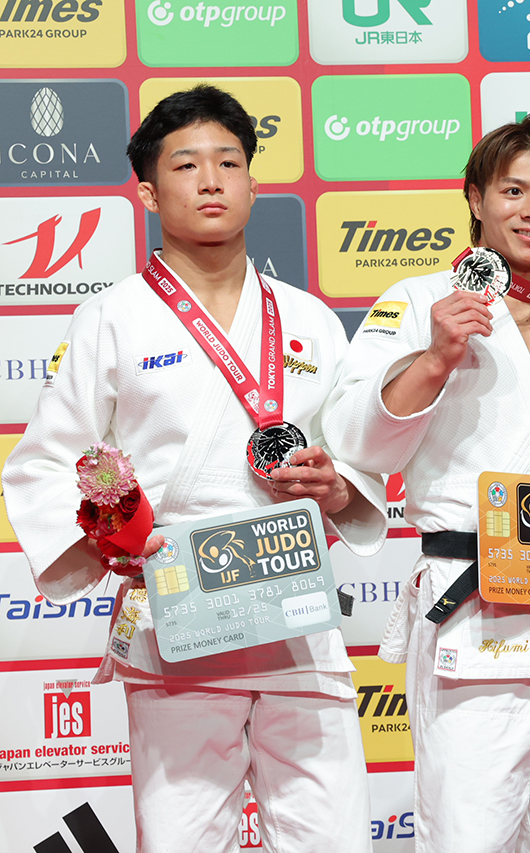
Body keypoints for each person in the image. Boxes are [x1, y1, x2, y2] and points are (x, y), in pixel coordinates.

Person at [2, 85, 387, 852]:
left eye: (228, 161)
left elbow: (360, 458)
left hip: (296, 621)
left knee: (334, 838)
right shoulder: (111, 316)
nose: (211, 179)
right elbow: (45, 461)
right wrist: (110, 543)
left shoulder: (309, 317)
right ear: (147, 190)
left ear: (253, 182)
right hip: (178, 617)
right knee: (181, 839)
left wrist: (339, 487)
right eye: (186, 164)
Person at [322, 113, 530, 853]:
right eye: (513, 190)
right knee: (469, 834)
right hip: (475, 610)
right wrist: (437, 355)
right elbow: (355, 438)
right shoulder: (418, 302)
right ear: (475, 197)